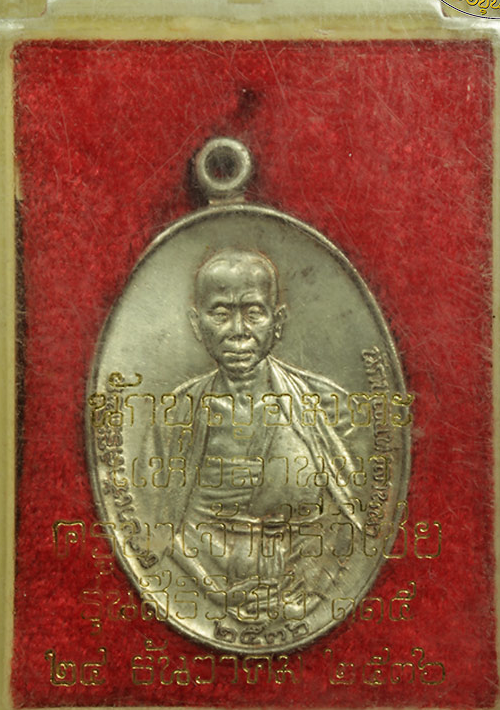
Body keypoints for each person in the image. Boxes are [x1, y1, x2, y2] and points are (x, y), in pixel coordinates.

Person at [144, 248, 365, 623]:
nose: (238, 331)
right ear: (197, 324)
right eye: (221, 314)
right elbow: (155, 527)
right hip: (208, 586)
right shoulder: (174, 415)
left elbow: (357, 512)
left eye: (253, 313)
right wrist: (215, 591)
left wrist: (316, 582)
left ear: (278, 322)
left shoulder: (328, 407)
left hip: (307, 589)